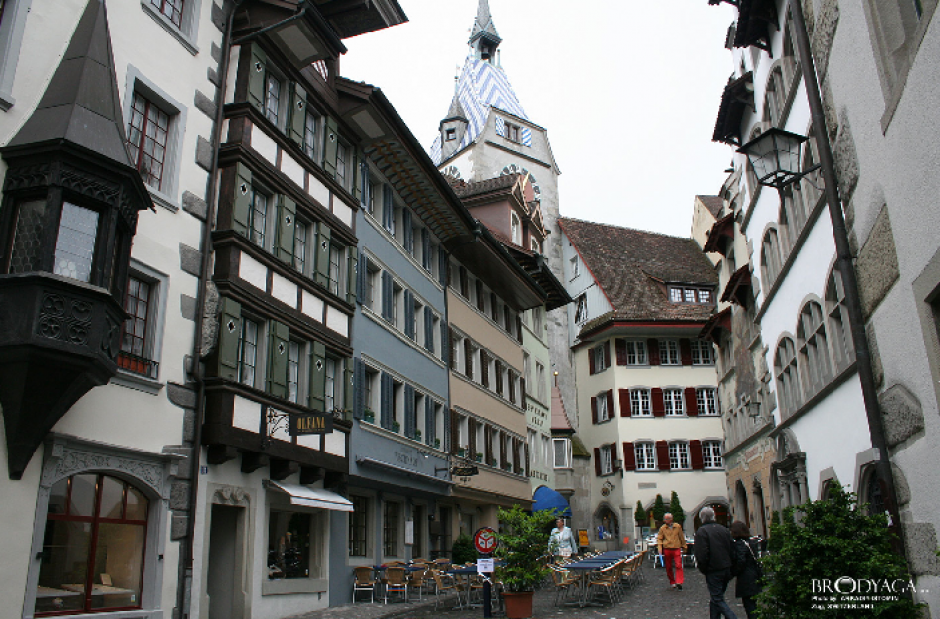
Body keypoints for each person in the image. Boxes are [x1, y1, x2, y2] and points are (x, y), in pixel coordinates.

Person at [694, 506, 738, 619]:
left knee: (717, 599)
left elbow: (701, 553)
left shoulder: (702, 531)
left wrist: (704, 568)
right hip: (726, 568)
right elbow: (732, 549)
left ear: (702, 518)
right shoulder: (724, 529)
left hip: (713, 570)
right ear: (714, 516)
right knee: (716, 597)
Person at [731, 521, 762, 618]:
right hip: (754, 576)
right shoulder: (750, 542)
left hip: (746, 578)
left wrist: (734, 571)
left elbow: (741, 561)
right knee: (753, 604)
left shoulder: (740, 544)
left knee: (749, 606)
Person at [656, 512, 687, 590]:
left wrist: (684, 546)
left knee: (678, 565)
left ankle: (679, 581)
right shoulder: (663, 528)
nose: (665, 520)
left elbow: (681, 537)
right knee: (668, 566)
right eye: (665, 519)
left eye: (667, 519)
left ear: (671, 519)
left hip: (676, 548)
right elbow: (659, 538)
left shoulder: (677, 526)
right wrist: (659, 548)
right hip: (667, 548)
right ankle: (672, 581)